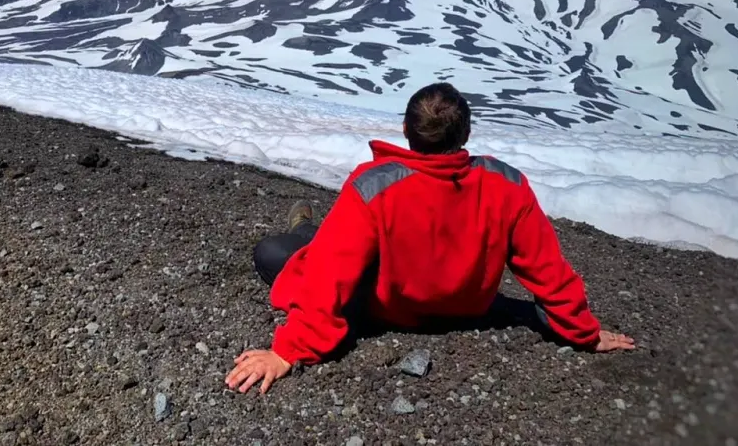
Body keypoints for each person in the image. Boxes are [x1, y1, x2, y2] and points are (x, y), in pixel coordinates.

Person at [225, 82, 635, 395]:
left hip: (389, 308)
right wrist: (584, 330)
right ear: (466, 133)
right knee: (326, 239)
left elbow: (330, 273)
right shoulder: (507, 185)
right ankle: (306, 228)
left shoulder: (374, 186)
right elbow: (548, 270)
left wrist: (286, 352)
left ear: (406, 129)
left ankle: (303, 230)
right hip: (466, 307)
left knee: (277, 253)